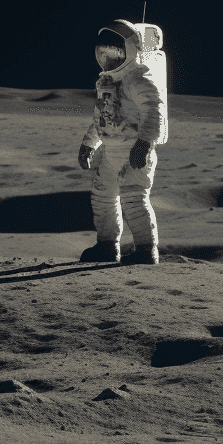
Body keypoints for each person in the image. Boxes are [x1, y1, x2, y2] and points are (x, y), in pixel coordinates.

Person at [77, 19, 168, 264]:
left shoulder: (138, 79)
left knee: (133, 197)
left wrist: (144, 143)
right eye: (104, 52)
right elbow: (103, 117)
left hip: (133, 151)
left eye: (115, 52)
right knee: (102, 196)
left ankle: (146, 250)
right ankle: (107, 245)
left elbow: (153, 112)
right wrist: (90, 143)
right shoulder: (109, 81)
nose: (108, 57)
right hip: (111, 151)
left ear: (130, 49)